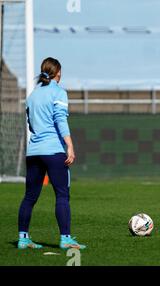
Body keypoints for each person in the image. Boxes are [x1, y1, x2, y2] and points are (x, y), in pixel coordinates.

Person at [17, 57, 86, 250]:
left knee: (30, 197)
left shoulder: (32, 96)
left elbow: (30, 123)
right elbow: (60, 120)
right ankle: (65, 239)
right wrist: (70, 146)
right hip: (53, 150)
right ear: (59, 73)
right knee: (62, 195)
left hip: (34, 152)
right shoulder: (59, 92)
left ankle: (23, 239)